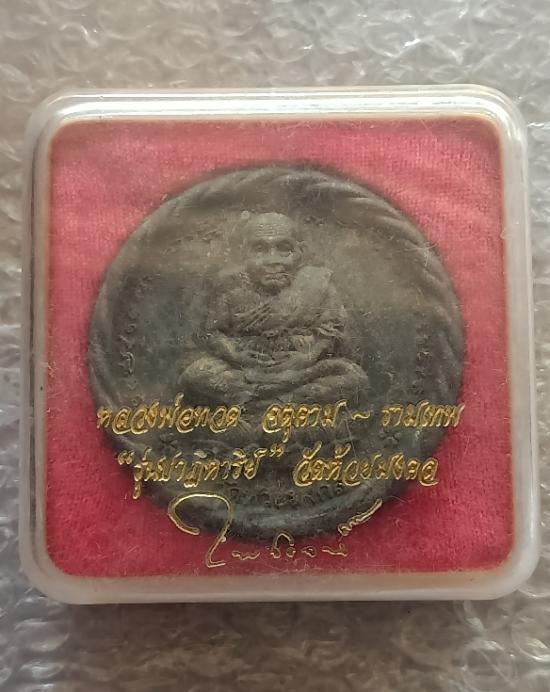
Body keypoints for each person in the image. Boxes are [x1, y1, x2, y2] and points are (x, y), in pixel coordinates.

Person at [179, 212, 369, 413]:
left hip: (303, 370)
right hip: (243, 370)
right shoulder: (230, 287)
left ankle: (253, 404)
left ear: (301, 252)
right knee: (196, 375)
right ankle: (285, 404)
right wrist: (236, 355)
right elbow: (213, 333)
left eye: (284, 249)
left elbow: (334, 333)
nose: (272, 260)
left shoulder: (318, 284)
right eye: (260, 249)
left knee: (354, 379)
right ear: (244, 254)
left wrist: (307, 356)